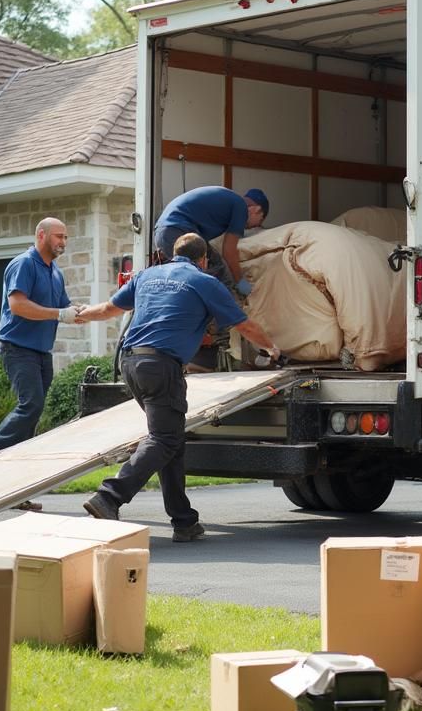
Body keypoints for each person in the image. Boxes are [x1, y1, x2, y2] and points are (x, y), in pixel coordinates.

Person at [74, 232, 280, 542]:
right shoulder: (204, 281)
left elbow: (108, 309)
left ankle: (184, 521)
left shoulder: (147, 276)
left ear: (173, 253)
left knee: (171, 440)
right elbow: (244, 325)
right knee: (165, 439)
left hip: (131, 364)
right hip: (161, 367)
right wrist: (273, 350)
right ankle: (110, 496)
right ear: (204, 260)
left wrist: (80, 315)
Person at [0, 219, 81, 511]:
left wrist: (92, 312)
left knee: (31, 418)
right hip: (17, 349)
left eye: (66, 237)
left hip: (41, 352)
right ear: (41, 235)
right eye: (59, 236)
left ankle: (15, 492)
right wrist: (60, 314)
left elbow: (66, 309)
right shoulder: (24, 264)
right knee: (30, 404)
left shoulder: (55, 272)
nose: (63, 242)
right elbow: (18, 305)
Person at [154, 185, 269, 297]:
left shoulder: (229, 200)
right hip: (178, 231)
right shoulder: (241, 207)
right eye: (261, 219)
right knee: (218, 276)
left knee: (203, 272)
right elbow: (229, 252)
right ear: (256, 210)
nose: (257, 225)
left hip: (163, 231)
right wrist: (240, 281)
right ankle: (229, 314)